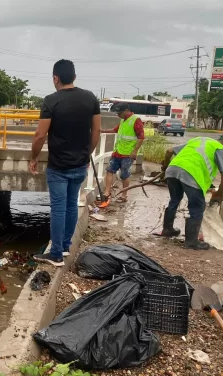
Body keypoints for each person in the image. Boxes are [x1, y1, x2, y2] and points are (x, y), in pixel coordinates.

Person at [29, 59, 101, 267]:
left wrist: (33, 158)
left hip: (58, 167)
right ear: (75, 77)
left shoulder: (51, 101)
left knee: (58, 208)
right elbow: (96, 130)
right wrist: (87, 154)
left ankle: (56, 254)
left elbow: (40, 135)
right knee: (71, 206)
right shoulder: (90, 98)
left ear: (55, 78)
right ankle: (66, 246)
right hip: (80, 165)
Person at [160, 135, 223, 249]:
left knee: (175, 199)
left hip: (172, 169)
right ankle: (191, 241)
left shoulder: (198, 140)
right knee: (197, 207)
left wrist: (165, 166)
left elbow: (169, 151)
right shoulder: (221, 149)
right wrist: (218, 195)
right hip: (191, 173)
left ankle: (167, 229)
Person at [102, 102, 145, 203]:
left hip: (128, 154)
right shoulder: (123, 121)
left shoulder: (135, 120)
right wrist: (102, 130)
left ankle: (124, 195)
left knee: (124, 175)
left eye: (119, 113)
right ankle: (107, 192)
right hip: (117, 152)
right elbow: (115, 130)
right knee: (109, 170)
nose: (118, 115)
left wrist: (135, 151)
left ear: (126, 110)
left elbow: (141, 137)